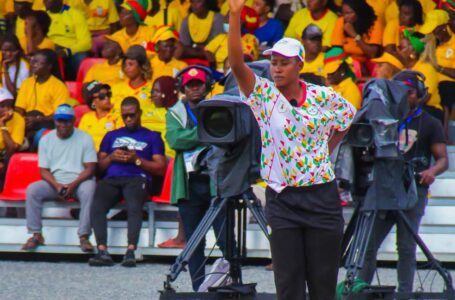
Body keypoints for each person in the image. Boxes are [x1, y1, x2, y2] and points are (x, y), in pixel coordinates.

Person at [227, 0, 356, 298]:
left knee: (323, 287)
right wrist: (235, 16)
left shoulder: (324, 96)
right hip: (283, 200)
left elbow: (347, 117)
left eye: (284, 62)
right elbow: (236, 64)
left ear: (299, 64)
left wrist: (328, 146)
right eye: (273, 62)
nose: (277, 68)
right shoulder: (264, 96)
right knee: (289, 286)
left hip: (322, 197)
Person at [358, 70, 448, 294]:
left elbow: (443, 159)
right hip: (384, 188)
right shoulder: (382, 118)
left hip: (413, 191)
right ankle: (360, 289)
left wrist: (431, 171)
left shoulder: (430, 123)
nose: (405, 97)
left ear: (420, 94)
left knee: (406, 247)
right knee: (369, 246)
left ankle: (404, 294)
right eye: (400, 93)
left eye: (409, 93)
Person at [166, 65, 227, 290]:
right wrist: (206, 130)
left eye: (199, 84)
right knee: (194, 243)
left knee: (226, 241)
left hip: (216, 184)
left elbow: (223, 134)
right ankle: (198, 289)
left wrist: (192, 136)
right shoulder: (174, 112)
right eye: (190, 85)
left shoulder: (220, 107)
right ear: (183, 87)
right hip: (189, 185)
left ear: (207, 85)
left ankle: (229, 285)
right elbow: (175, 140)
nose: (194, 89)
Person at [89, 97, 166, 267]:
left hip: (138, 177)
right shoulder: (111, 136)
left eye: (132, 115)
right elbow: (98, 168)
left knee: (134, 205)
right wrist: (111, 157)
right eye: (125, 116)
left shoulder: (152, 136)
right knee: (97, 204)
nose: (128, 119)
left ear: (139, 113)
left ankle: (131, 250)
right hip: (112, 178)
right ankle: (102, 250)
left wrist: (136, 160)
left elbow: (161, 167)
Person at [21, 104, 97, 252]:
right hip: (55, 183)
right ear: (55, 121)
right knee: (33, 189)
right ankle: (36, 234)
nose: (63, 124)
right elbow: (43, 170)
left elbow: (90, 168)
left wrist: (73, 184)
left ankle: (84, 236)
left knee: (90, 187)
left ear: (74, 120)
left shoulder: (85, 138)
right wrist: (57, 186)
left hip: (79, 182)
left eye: (67, 121)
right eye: (59, 120)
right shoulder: (46, 139)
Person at [15, 49, 69, 146]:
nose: (34, 65)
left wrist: (38, 119)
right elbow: (19, 108)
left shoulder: (59, 86)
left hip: (47, 123)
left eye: (39, 63)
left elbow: (60, 114)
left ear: (49, 67)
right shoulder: (27, 83)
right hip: (27, 121)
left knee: (39, 133)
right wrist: (22, 120)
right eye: (33, 61)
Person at [111, 45, 167, 136]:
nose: (126, 68)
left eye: (131, 64)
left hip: (144, 134)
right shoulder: (116, 88)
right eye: (125, 64)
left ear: (141, 66)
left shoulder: (153, 89)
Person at [419, 9, 455, 141]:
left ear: (443, 27)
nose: (433, 33)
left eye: (435, 29)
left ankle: (444, 132)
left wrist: (439, 68)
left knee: (445, 88)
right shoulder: (431, 43)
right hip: (430, 80)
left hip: (448, 83)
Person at [398, 30, 443, 123]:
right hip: (409, 108)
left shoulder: (426, 68)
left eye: (401, 48)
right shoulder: (402, 70)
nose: (398, 51)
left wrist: (404, 108)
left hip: (430, 111)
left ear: (412, 52)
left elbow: (425, 98)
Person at [331, 0, 383, 74]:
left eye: (349, 13)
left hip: (370, 63)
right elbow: (337, 50)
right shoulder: (341, 21)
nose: (345, 17)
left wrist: (354, 34)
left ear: (359, 12)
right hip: (348, 62)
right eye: (343, 13)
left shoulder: (374, 24)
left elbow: (372, 54)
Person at [45, 0, 92, 80]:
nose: (44, 2)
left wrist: (67, 51)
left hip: (71, 49)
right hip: (50, 47)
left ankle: (75, 85)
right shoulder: (42, 15)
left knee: (81, 57)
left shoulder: (75, 14)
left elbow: (86, 43)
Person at [79, 80, 121, 152]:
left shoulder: (117, 116)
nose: (107, 98)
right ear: (93, 101)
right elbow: (79, 143)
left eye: (108, 94)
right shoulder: (86, 118)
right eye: (102, 96)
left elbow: (119, 142)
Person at [0, 88, 25, 185]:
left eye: (8, 105)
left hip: (6, 156)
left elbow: (12, 147)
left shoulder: (18, 118)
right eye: (2, 106)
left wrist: (2, 124)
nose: (6, 109)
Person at [0, 34, 29, 99]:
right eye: (5, 50)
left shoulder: (24, 67)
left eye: (11, 50)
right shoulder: (2, 61)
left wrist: (5, 70)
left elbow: (14, 94)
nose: (8, 54)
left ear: (17, 50)